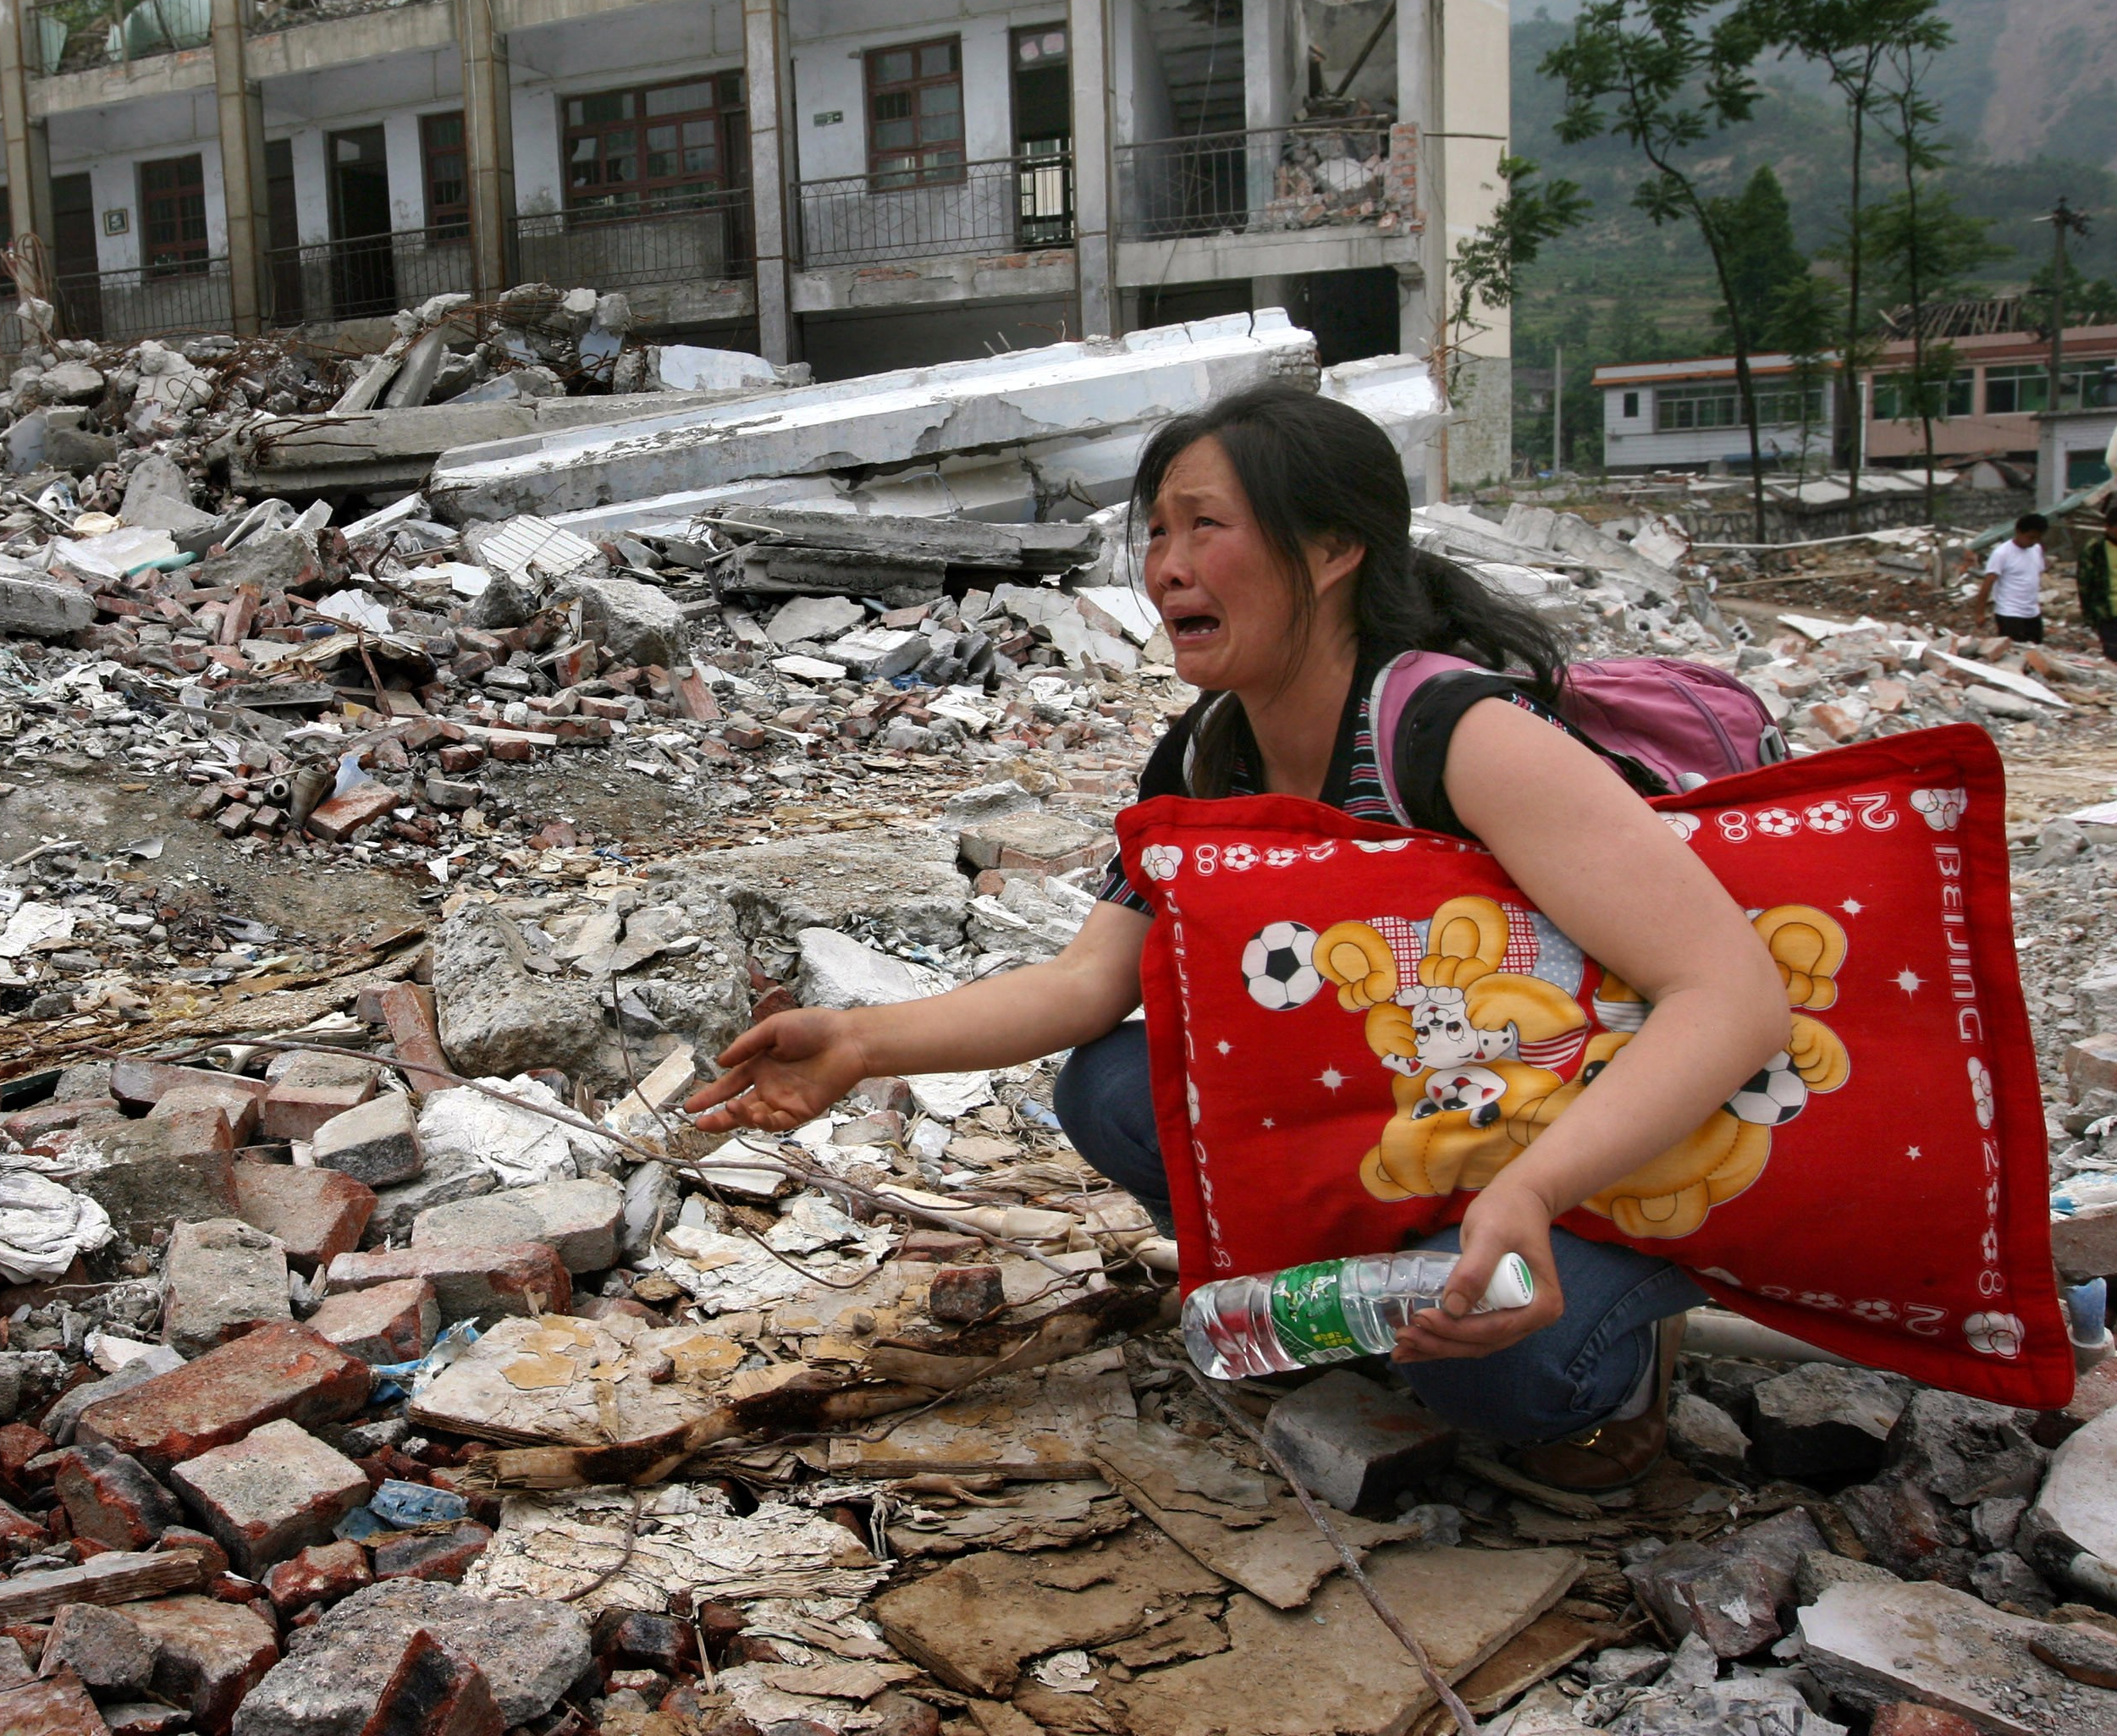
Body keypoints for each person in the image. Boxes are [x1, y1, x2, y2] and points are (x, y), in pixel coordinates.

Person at [686, 384, 1789, 1491]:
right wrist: (862, 1044)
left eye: (1205, 526)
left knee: (1497, 1382)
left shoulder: (1462, 736)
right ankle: (1371, 1277)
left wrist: (1533, 1195)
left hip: (1591, 1136)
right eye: (1159, 530)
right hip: (1433, 1115)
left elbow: (1731, 997)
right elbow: (1085, 983)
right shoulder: (1209, 758)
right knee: (1116, 1085)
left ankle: (1625, 1351)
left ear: (1332, 551)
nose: (1166, 566)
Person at [1979, 512, 2051, 647]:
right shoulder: (2002, 553)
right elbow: (1988, 583)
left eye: (2037, 538)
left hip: (2032, 612)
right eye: (2030, 537)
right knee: (2014, 651)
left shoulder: (2036, 549)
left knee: (2036, 651)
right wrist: (1980, 613)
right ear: (2018, 532)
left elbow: (2035, 574)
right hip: (2009, 613)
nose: (2034, 541)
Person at [2079, 496, 2117, 664]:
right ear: (2107, 527)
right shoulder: (2095, 549)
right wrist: (2089, 616)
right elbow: (2085, 583)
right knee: (2112, 655)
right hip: (2106, 612)